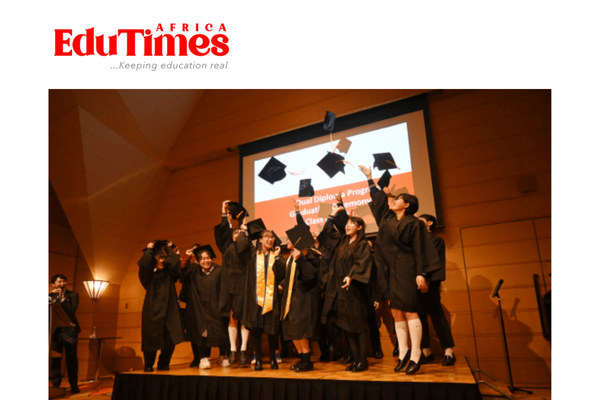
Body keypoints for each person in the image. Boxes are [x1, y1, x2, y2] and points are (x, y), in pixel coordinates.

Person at [359, 165, 441, 375]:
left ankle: (416, 354)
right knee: (395, 311)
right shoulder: (387, 220)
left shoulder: (415, 223)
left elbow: (420, 249)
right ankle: (403, 353)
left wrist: (422, 273)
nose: (393, 201)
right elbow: (379, 202)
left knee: (410, 310)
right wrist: (369, 178)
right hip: (389, 272)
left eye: (398, 199)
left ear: (407, 205)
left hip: (407, 269)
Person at [320, 199, 373, 372]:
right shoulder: (341, 242)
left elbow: (361, 264)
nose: (348, 225)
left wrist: (351, 276)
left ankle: (362, 360)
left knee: (358, 327)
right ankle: (355, 360)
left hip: (356, 291)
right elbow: (328, 231)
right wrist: (334, 213)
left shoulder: (363, 245)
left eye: (352, 223)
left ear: (360, 227)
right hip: (341, 292)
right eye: (347, 223)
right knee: (347, 328)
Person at [236, 225, 286, 371]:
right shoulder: (252, 256)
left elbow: (283, 275)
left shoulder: (276, 256)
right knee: (256, 330)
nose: (270, 239)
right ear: (260, 240)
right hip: (255, 300)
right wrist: (243, 231)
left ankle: (272, 358)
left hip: (272, 300)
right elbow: (240, 247)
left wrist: (278, 258)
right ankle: (257, 359)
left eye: (272, 237)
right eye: (267, 237)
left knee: (272, 331)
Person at [280, 199, 321, 372]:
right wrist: (281, 285)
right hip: (290, 299)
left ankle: (307, 361)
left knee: (301, 330)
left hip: (303, 299)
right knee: (292, 330)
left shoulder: (306, 254)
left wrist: (298, 211)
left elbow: (309, 276)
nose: (286, 240)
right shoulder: (289, 256)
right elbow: (288, 277)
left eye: (289, 238)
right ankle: (301, 358)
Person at [214, 200, 251, 365]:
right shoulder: (226, 247)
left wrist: (243, 228)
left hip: (242, 286)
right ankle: (233, 349)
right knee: (232, 318)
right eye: (234, 234)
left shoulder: (245, 248)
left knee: (243, 317)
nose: (236, 235)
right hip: (228, 286)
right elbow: (224, 231)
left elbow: (243, 244)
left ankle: (243, 348)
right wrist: (224, 212)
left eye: (239, 233)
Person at [180, 245, 230, 369]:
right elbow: (182, 274)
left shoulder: (219, 271)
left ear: (211, 258)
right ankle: (203, 358)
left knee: (221, 333)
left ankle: (222, 356)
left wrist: (223, 307)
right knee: (202, 333)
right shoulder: (194, 270)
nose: (205, 261)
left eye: (207, 258)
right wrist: (187, 257)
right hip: (200, 309)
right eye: (202, 259)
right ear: (197, 261)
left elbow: (224, 289)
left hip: (216, 307)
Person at [138, 240, 185, 371]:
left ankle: (164, 363)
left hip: (170, 311)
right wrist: (149, 249)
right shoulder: (148, 276)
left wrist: (169, 249)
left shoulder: (170, 274)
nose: (161, 261)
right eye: (158, 258)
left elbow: (175, 263)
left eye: (163, 258)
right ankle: (148, 364)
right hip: (152, 312)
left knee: (170, 339)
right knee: (151, 339)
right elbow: (144, 265)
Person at [417, 214, 456, 366]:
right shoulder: (415, 241)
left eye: (420, 220)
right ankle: (426, 351)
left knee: (437, 316)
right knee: (420, 318)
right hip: (416, 284)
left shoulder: (436, 240)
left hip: (430, 283)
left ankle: (449, 351)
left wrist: (427, 280)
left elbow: (435, 263)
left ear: (430, 223)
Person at [49, 274, 81, 393]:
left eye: (64, 281)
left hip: (69, 332)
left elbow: (71, 310)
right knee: (55, 359)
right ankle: (56, 385)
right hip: (54, 332)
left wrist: (62, 298)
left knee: (71, 359)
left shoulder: (73, 295)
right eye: (59, 282)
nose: (62, 284)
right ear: (53, 284)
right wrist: (50, 297)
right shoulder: (50, 296)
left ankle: (74, 385)